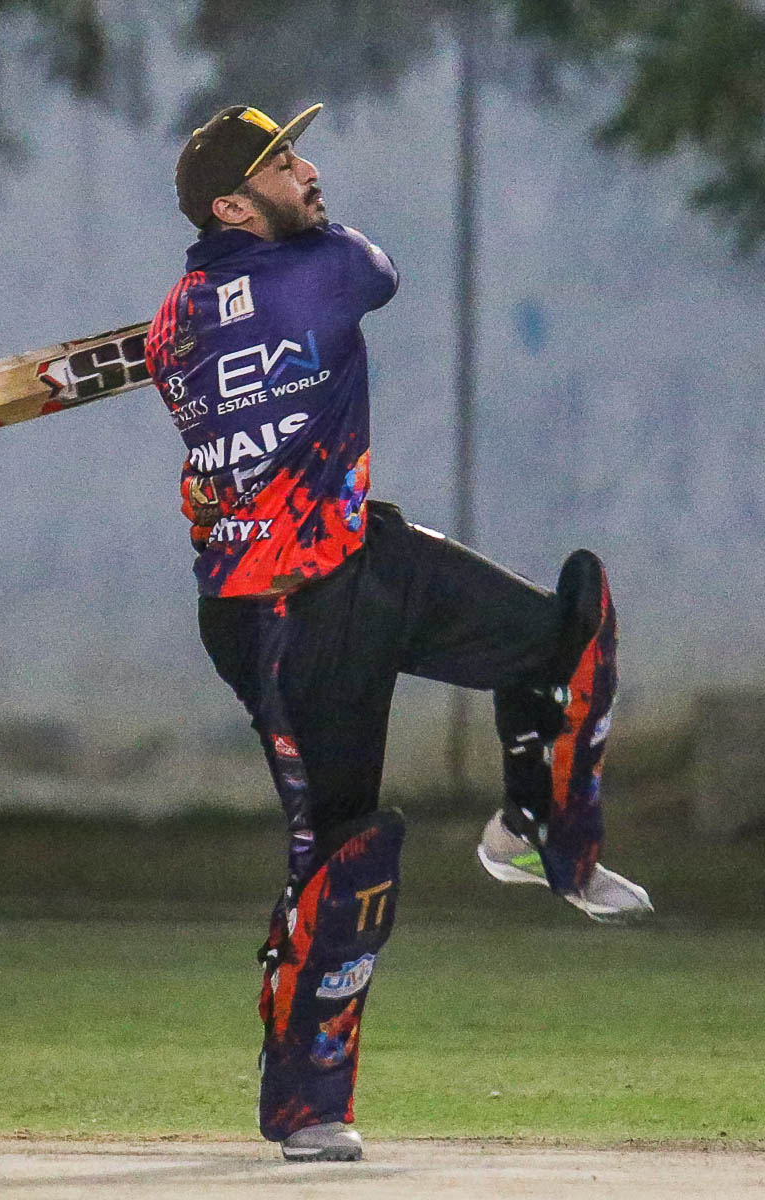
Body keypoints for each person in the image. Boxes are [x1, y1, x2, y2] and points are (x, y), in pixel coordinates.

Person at [144, 102, 652, 1163]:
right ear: (232, 204)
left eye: (296, 153)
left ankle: (536, 834)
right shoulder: (321, 273)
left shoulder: (172, 322)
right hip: (275, 611)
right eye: (281, 165)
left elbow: (226, 339)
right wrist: (292, 247)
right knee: (340, 856)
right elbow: (375, 270)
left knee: (568, 633)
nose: (308, 171)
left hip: (360, 556)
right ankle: (305, 1107)